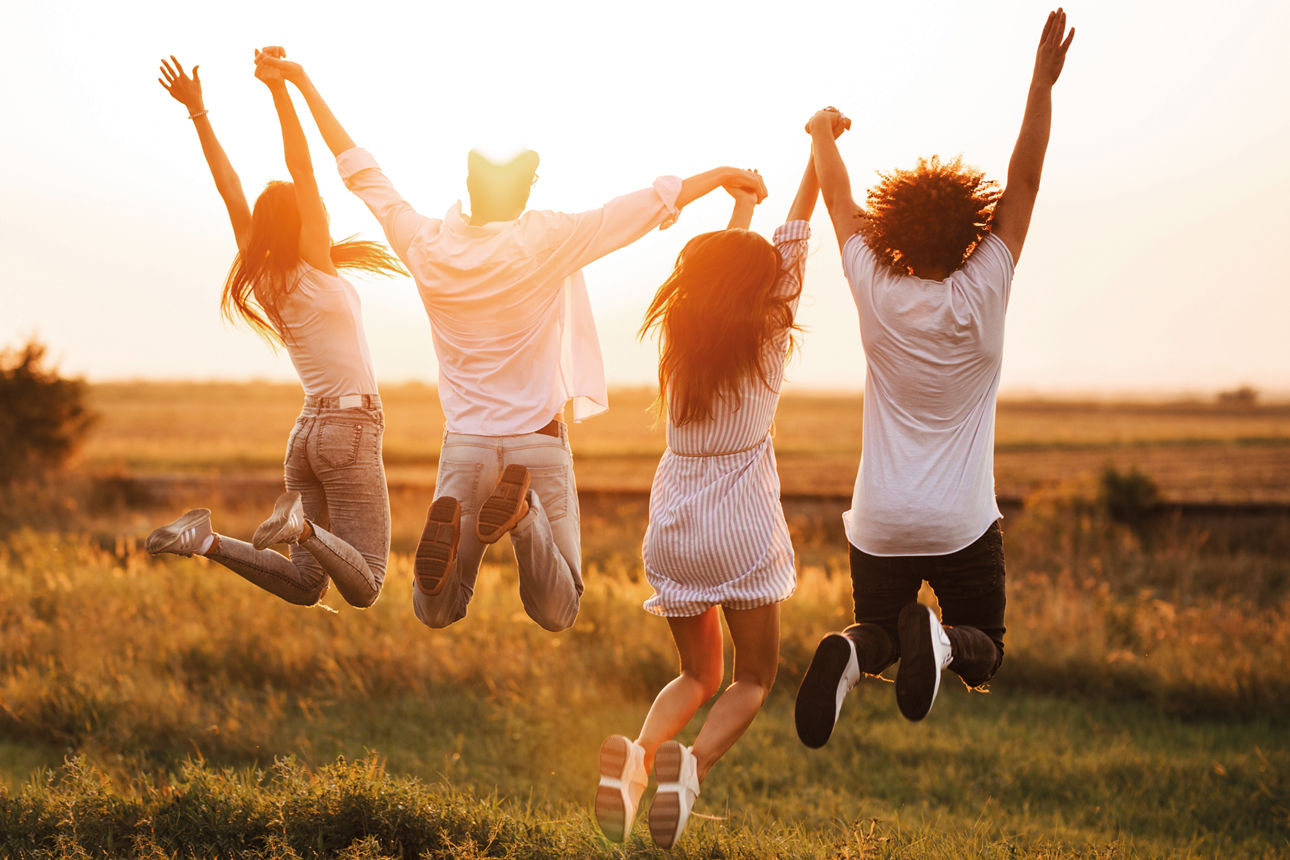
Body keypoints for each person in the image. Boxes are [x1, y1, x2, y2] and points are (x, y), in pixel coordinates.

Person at [253, 50, 768, 633]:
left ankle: (451, 553)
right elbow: (645, 204)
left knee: (437, 611)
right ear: (525, 194)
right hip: (538, 444)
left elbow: (358, 169)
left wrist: (297, 82)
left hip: (465, 446)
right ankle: (524, 518)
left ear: (468, 188)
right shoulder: (548, 238)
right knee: (559, 609)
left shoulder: (425, 244)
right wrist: (725, 177)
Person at [794, 8, 1075, 746]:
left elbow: (836, 201)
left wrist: (822, 134)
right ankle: (945, 643)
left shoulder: (876, 290)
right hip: (959, 524)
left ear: (895, 233)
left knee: (880, 633)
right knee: (987, 645)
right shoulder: (985, 284)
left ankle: (849, 653)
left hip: (880, 520)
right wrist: (1040, 83)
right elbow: (1026, 177)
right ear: (971, 230)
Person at [593, 155, 820, 848]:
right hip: (740, 525)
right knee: (752, 676)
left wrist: (741, 210)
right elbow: (797, 233)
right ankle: (688, 768)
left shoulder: (682, 340)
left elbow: (721, 274)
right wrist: (815, 153)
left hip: (674, 524)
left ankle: (637, 757)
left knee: (698, 671)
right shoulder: (769, 335)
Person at [146, 55, 401, 610]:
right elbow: (304, 169)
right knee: (368, 586)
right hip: (349, 428)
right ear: (303, 222)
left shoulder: (260, 273)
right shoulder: (315, 260)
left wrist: (198, 113)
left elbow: (228, 186)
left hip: (306, 435)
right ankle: (300, 530)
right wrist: (280, 89)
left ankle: (206, 540)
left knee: (308, 588)